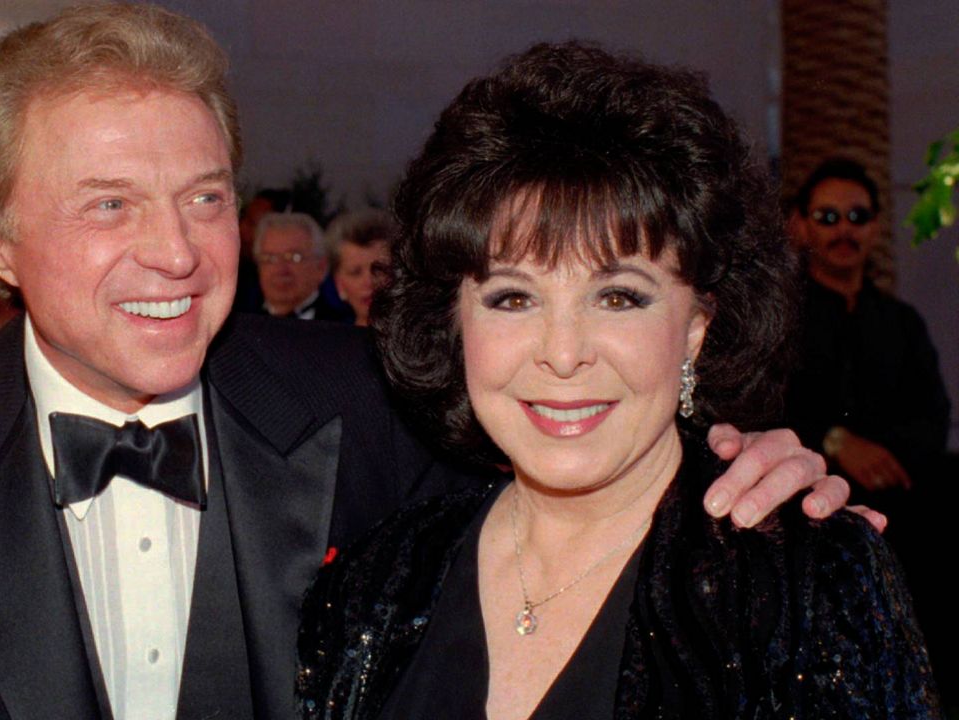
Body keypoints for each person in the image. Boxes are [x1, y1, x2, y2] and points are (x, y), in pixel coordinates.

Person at [0, 7, 850, 719]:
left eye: (202, 197)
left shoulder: (365, 401)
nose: (176, 252)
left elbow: (579, 457)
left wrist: (737, 462)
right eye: (109, 206)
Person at [297, 42, 936, 719]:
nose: (564, 354)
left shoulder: (804, 588)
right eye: (513, 298)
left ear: (696, 325)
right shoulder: (375, 582)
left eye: (619, 297)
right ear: (455, 322)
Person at [785, 158, 950, 499]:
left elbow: (933, 419)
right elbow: (765, 410)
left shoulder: (902, 322)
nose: (844, 230)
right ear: (800, 226)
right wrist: (835, 442)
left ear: (875, 226)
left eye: (857, 217)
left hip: (898, 495)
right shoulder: (778, 317)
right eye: (828, 218)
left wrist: (877, 459)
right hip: (802, 497)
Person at [254, 211, 352, 321]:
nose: (280, 269)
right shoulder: (239, 325)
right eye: (270, 258)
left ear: (321, 267)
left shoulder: (344, 327)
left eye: (294, 257)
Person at [326, 208, 394, 326]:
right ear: (339, 284)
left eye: (379, 270)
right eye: (355, 272)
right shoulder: (325, 341)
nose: (369, 282)